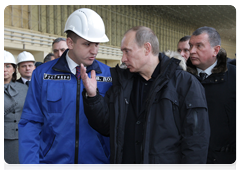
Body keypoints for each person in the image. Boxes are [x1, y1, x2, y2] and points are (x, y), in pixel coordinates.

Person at [81, 26, 210, 170]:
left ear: (147, 48)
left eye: (127, 51)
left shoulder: (186, 84)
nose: (123, 58)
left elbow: (196, 144)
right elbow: (106, 126)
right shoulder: (122, 85)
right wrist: (92, 96)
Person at [18, 8, 112, 170]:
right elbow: (31, 123)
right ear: (70, 43)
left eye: (97, 44)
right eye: (87, 44)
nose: (94, 50)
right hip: (52, 165)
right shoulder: (42, 74)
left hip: (97, 165)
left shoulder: (108, 76)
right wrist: (31, 166)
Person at [187, 26, 238, 170]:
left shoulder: (236, 78)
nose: (191, 51)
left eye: (199, 46)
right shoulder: (181, 79)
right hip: (190, 161)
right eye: (191, 45)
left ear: (216, 50)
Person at [4, 50, 28, 170]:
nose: (4, 70)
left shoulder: (24, 88)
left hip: (21, 138)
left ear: (14, 69)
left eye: (8, 66)